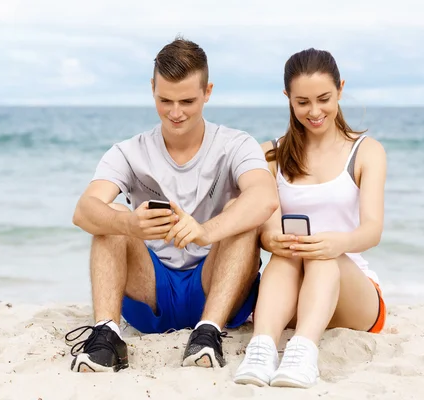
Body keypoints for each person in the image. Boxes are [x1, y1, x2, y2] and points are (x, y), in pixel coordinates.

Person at [66, 37, 278, 373]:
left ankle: (207, 333)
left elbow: (265, 197)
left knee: (241, 212)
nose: (175, 113)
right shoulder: (129, 151)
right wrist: (129, 225)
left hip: (216, 285)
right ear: (152, 88)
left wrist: (206, 231)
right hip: (150, 293)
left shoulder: (236, 144)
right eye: (165, 100)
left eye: (187, 101)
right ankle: (106, 334)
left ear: (207, 92)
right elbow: (84, 210)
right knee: (113, 215)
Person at [233, 48, 388, 388]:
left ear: (340, 89)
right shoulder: (270, 154)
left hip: (353, 294)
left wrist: (338, 242)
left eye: (324, 99)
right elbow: (265, 221)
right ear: (288, 98)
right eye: (302, 102)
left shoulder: (366, 151)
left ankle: (303, 353)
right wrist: (271, 236)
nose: (314, 111)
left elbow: (372, 230)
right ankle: (262, 349)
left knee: (320, 255)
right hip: (293, 287)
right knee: (286, 253)